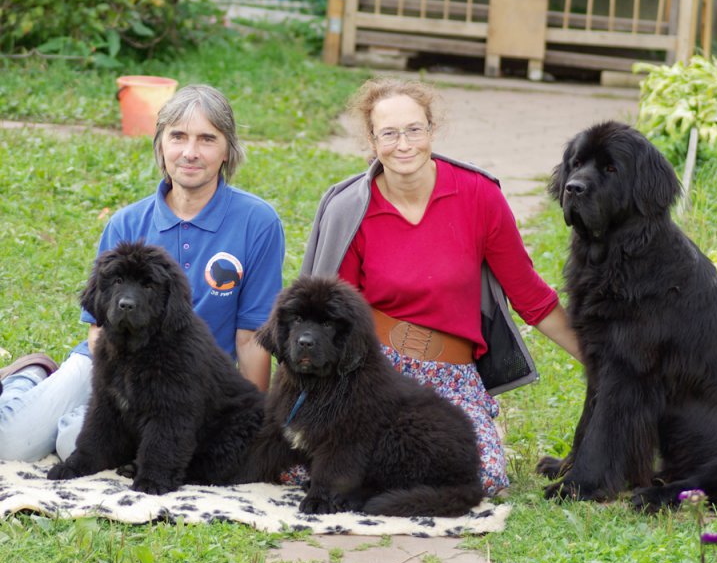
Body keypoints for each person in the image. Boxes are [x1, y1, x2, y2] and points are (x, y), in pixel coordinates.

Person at [301, 77, 582, 497]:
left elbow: (532, 298)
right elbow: (333, 316)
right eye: (388, 134)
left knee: (483, 477)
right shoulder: (351, 208)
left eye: (414, 130)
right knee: (319, 469)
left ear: (432, 130)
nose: (403, 145)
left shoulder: (478, 195)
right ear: (372, 141)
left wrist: (600, 361)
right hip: (374, 370)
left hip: (451, 374)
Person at [0, 84, 285, 463]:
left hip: (184, 379)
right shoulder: (127, 223)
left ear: (227, 150)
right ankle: (30, 376)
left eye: (207, 139)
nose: (190, 152)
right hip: (108, 364)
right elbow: (99, 327)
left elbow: (251, 340)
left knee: (72, 443)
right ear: (160, 145)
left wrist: (255, 426)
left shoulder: (258, 222)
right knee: (9, 444)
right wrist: (117, 396)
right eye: (178, 136)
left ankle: (64, 420)